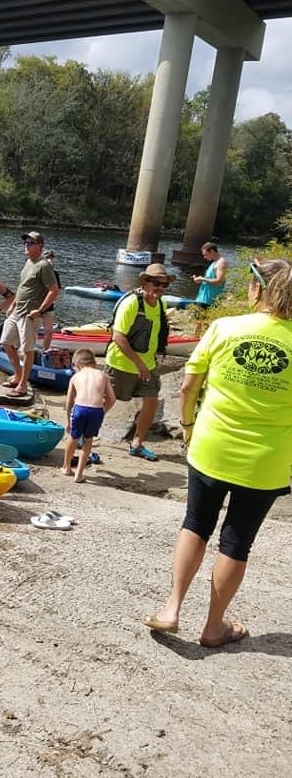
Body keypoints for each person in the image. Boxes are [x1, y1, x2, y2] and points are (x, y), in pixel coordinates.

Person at [143, 257, 292, 647]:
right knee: (237, 541)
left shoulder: (225, 328)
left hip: (211, 445)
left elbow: (189, 385)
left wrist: (189, 426)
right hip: (266, 460)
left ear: (258, 288)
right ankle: (213, 627)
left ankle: (171, 609)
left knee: (196, 523)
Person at [103, 263, 172, 461]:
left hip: (149, 365)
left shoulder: (161, 304)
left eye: (164, 284)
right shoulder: (132, 303)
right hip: (121, 364)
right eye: (156, 283)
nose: (161, 287)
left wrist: (151, 361)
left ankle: (137, 444)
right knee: (107, 401)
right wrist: (138, 364)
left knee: (151, 402)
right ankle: (83, 434)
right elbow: (119, 337)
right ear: (145, 282)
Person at [0, 232, 60, 396]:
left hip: (29, 315)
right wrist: (12, 304)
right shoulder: (28, 262)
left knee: (27, 350)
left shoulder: (44, 266)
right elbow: (23, 286)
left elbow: (54, 291)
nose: (26, 245)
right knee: (5, 342)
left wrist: (39, 310)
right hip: (17, 311)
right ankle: (18, 376)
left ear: (39, 246)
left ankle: (23, 385)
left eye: (30, 243)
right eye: (25, 242)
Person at [61, 349, 116, 483]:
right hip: (96, 410)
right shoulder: (103, 375)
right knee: (88, 441)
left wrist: (69, 419)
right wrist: (103, 411)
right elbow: (112, 399)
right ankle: (79, 474)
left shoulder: (75, 377)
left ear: (77, 364)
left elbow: (69, 402)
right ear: (94, 362)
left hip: (80, 409)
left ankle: (66, 467)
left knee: (73, 437)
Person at [192, 242, 227, 307]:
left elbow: (219, 281)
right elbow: (211, 279)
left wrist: (202, 279)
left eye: (205, 254)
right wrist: (200, 280)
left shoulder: (221, 262)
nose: (204, 257)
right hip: (203, 299)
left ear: (212, 251)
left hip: (210, 301)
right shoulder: (214, 262)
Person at [41, 250, 62, 352]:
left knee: (49, 331)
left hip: (49, 306)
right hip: (35, 305)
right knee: (30, 329)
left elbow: (57, 290)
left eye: (52, 258)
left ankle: (45, 350)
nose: (50, 260)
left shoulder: (55, 274)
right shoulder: (38, 271)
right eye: (48, 258)